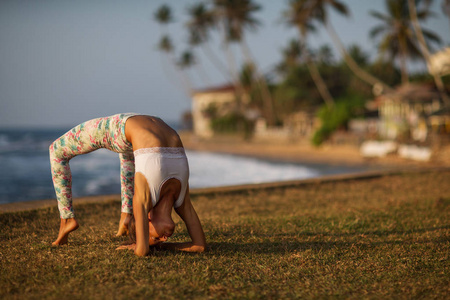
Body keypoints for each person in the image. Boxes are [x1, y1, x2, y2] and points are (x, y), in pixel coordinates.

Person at [49, 113, 206, 255]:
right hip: (145, 128)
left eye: (156, 238)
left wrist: (139, 245)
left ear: (146, 221)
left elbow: (141, 251)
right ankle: (125, 216)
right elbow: (200, 246)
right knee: (128, 153)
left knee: (56, 151)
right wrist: (166, 246)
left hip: (129, 126)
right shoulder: (181, 202)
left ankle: (67, 218)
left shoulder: (143, 201)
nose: (165, 239)